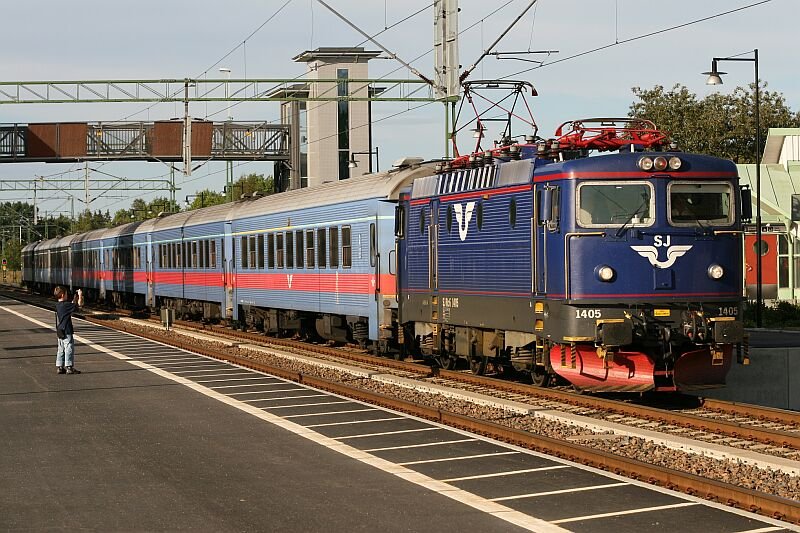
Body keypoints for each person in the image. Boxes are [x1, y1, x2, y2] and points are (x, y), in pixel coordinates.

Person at [54, 286, 84, 375]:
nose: (67, 295)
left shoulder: (58, 305)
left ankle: (60, 367)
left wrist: (73, 300)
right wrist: (80, 295)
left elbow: (70, 307)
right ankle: (69, 367)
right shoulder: (66, 305)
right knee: (69, 348)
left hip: (60, 331)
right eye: (66, 294)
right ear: (63, 295)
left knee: (60, 349)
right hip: (67, 331)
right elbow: (79, 305)